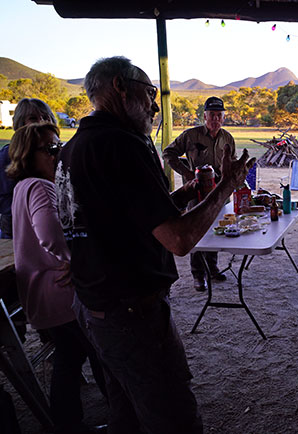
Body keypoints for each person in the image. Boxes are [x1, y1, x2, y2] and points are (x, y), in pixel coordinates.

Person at [55, 56, 254, 434]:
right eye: (149, 93)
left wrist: (188, 194)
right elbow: (179, 240)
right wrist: (228, 186)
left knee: (126, 413)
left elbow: (127, 221)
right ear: (119, 87)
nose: (155, 105)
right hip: (131, 315)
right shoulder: (122, 145)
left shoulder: (75, 147)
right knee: (174, 418)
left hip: (94, 306)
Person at [9, 122, 107, 434]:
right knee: (99, 354)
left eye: (59, 146)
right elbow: (49, 234)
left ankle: (65, 422)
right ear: (28, 155)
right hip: (60, 294)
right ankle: (122, 415)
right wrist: (76, 259)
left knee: (69, 356)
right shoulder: (41, 186)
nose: (58, 154)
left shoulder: (22, 187)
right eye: (50, 149)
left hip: (40, 294)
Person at [162, 96, 235, 291]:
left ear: (223, 118)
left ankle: (212, 268)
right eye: (212, 115)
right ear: (204, 116)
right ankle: (198, 274)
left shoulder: (227, 138)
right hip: (196, 193)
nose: (215, 119)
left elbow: (232, 162)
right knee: (197, 231)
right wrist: (186, 173)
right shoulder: (190, 136)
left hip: (219, 193)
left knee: (216, 229)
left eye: (219, 115)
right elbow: (168, 153)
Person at [0, 98, 57, 239]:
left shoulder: (56, 151)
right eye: (33, 118)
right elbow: (5, 199)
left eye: (45, 117)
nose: (41, 121)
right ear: (20, 123)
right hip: (17, 227)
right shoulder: (7, 156)